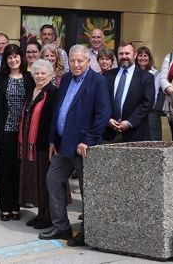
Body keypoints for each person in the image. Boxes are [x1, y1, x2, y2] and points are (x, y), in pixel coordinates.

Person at [39, 45, 110, 245]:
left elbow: (103, 114)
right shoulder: (67, 79)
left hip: (82, 147)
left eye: (80, 61)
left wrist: (88, 140)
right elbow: (58, 110)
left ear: (88, 61)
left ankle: (87, 232)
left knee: (86, 190)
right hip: (63, 145)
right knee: (53, 179)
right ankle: (61, 227)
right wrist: (53, 138)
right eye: (73, 61)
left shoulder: (98, 82)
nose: (76, 64)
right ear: (68, 61)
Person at [0, 44, 33, 221]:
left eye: (16, 56)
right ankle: (5, 207)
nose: (13, 59)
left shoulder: (29, 78)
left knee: (19, 170)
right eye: (10, 56)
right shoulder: (0, 78)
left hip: (23, 132)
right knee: (5, 170)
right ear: (6, 60)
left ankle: (16, 206)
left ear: (21, 58)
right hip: (6, 131)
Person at [19, 59, 59, 230]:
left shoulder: (53, 92)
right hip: (32, 144)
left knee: (46, 180)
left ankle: (49, 216)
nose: (40, 76)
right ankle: (40, 213)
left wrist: (53, 140)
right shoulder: (33, 90)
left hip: (45, 144)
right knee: (37, 180)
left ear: (50, 75)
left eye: (44, 73)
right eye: (37, 73)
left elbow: (55, 119)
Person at [103, 42, 154, 143]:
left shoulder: (146, 77)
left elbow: (147, 103)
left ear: (134, 55)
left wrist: (130, 122)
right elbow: (101, 101)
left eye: (127, 53)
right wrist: (107, 119)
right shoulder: (107, 76)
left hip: (136, 133)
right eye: (121, 54)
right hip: (109, 133)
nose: (124, 57)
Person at [136, 45, 164, 141]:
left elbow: (156, 94)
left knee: (153, 140)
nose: (143, 58)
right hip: (135, 113)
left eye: (145, 55)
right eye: (140, 55)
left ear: (149, 58)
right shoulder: (132, 73)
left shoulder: (156, 74)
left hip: (151, 113)